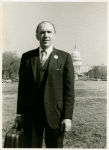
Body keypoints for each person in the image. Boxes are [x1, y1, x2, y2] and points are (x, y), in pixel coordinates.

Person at [15, 21, 75, 148]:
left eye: (49, 32)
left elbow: (69, 91)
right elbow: (22, 88)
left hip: (56, 115)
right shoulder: (27, 57)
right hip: (31, 115)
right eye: (42, 32)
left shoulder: (65, 57)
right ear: (37, 35)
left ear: (54, 35)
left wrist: (67, 117)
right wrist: (19, 113)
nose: (46, 35)